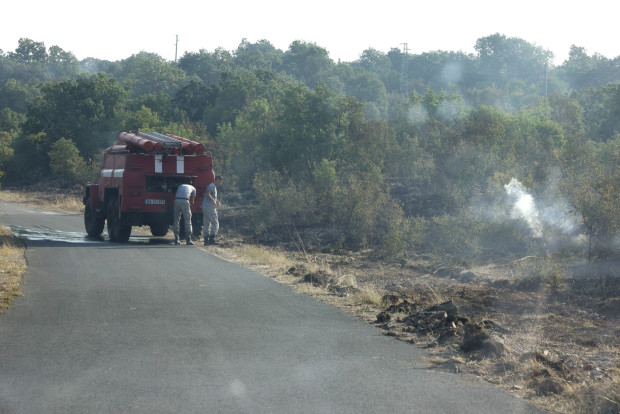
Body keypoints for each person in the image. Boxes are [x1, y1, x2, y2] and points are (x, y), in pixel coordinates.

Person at [202, 176, 223, 245]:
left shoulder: (211, 186)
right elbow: (208, 194)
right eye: (220, 181)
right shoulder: (212, 186)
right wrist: (214, 201)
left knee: (207, 223)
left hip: (205, 206)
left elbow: (210, 196)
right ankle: (211, 239)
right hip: (210, 207)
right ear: (218, 180)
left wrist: (217, 201)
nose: (220, 184)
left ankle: (206, 240)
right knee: (215, 222)